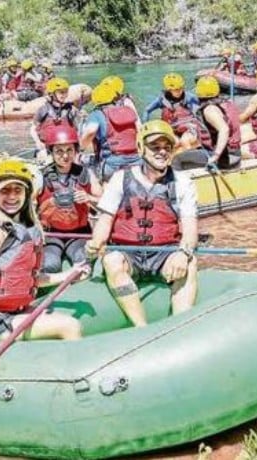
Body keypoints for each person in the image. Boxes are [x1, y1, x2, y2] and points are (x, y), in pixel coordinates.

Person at [0, 158, 86, 341]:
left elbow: (29, 280)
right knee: (70, 326)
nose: (12, 197)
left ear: (27, 194)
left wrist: (69, 275)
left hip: (17, 311)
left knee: (57, 316)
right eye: (5, 191)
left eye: (17, 190)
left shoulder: (30, 227)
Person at [85, 120, 199, 328]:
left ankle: (181, 326)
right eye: (155, 147)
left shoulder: (183, 182)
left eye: (167, 147)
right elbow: (105, 219)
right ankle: (141, 328)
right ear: (140, 149)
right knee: (111, 261)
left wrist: (184, 253)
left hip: (164, 253)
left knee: (190, 264)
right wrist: (96, 242)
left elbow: (190, 228)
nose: (162, 152)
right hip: (128, 253)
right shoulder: (121, 179)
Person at [37, 124, 102, 273]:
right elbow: (28, 207)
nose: (65, 156)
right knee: (50, 265)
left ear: (75, 151)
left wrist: (89, 198)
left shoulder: (86, 174)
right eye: (59, 151)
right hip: (52, 234)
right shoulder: (41, 176)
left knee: (83, 260)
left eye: (69, 150)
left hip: (79, 234)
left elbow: (105, 203)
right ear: (51, 152)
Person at [172, 76, 241, 171]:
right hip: (235, 152)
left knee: (177, 159)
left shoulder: (209, 109)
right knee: (192, 151)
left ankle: (180, 184)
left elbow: (224, 129)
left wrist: (216, 155)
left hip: (224, 158)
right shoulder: (226, 103)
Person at [80, 78, 141, 182]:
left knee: (105, 185)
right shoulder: (127, 109)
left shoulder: (97, 114)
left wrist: (80, 148)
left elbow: (90, 131)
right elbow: (139, 128)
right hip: (136, 160)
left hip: (112, 163)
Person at [143, 72, 201, 150]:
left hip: (188, 127)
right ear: (169, 89)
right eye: (176, 90)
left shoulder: (189, 97)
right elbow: (147, 110)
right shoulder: (161, 100)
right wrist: (145, 126)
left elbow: (202, 105)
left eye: (181, 88)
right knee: (174, 143)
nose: (180, 91)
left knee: (185, 141)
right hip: (172, 129)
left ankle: (191, 159)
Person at [30, 77, 80, 158]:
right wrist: (38, 143)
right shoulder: (43, 109)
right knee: (42, 154)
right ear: (51, 94)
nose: (64, 95)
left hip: (65, 147)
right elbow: (33, 129)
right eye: (61, 92)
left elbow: (78, 129)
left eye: (65, 92)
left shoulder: (71, 110)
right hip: (47, 147)